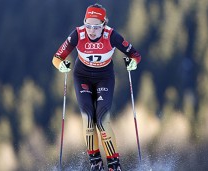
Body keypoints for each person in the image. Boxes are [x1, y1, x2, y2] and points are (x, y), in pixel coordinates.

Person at [52, 3, 141, 171]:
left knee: (102, 120)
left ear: (103, 25)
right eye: (88, 25)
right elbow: (57, 57)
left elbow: (135, 55)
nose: (91, 30)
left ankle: (114, 164)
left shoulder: (111, 35)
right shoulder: (77, 34)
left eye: (96, 27)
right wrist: (61, 66)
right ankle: (95, 162)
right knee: (88, 119)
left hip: (104, 78)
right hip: (82, 77)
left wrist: (132, 63)